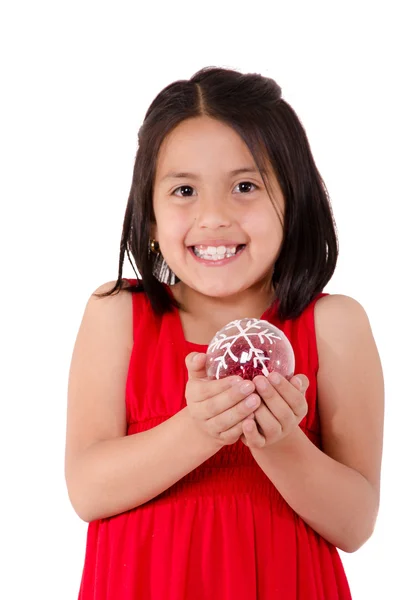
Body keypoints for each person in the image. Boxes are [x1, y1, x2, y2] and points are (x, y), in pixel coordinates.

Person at [65, 66, 384, 599]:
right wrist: (200, 428)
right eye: (184, 190)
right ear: (149, 214)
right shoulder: (116, 313)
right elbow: (87, 490)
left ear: (294, 199)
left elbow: (355, 524)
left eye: (245, 186)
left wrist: (281, 442)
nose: (213, 216)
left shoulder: (335, 325)